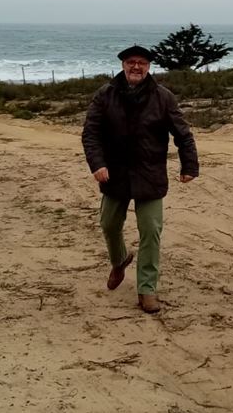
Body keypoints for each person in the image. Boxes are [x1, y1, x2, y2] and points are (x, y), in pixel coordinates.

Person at [81, 44, 199, 314]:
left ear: (148, 67)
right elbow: (91, 133)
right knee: (109, 224)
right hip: (115, 174)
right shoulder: (105, 94)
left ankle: (147, 289)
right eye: (131, 62)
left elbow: (183, 134)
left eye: (142, 63)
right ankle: (119, 260)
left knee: (151, 231)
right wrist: (97, 164)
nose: (136, 67)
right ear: (123, 65)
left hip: (150, 175)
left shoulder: (163, 97)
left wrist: (189, 165)